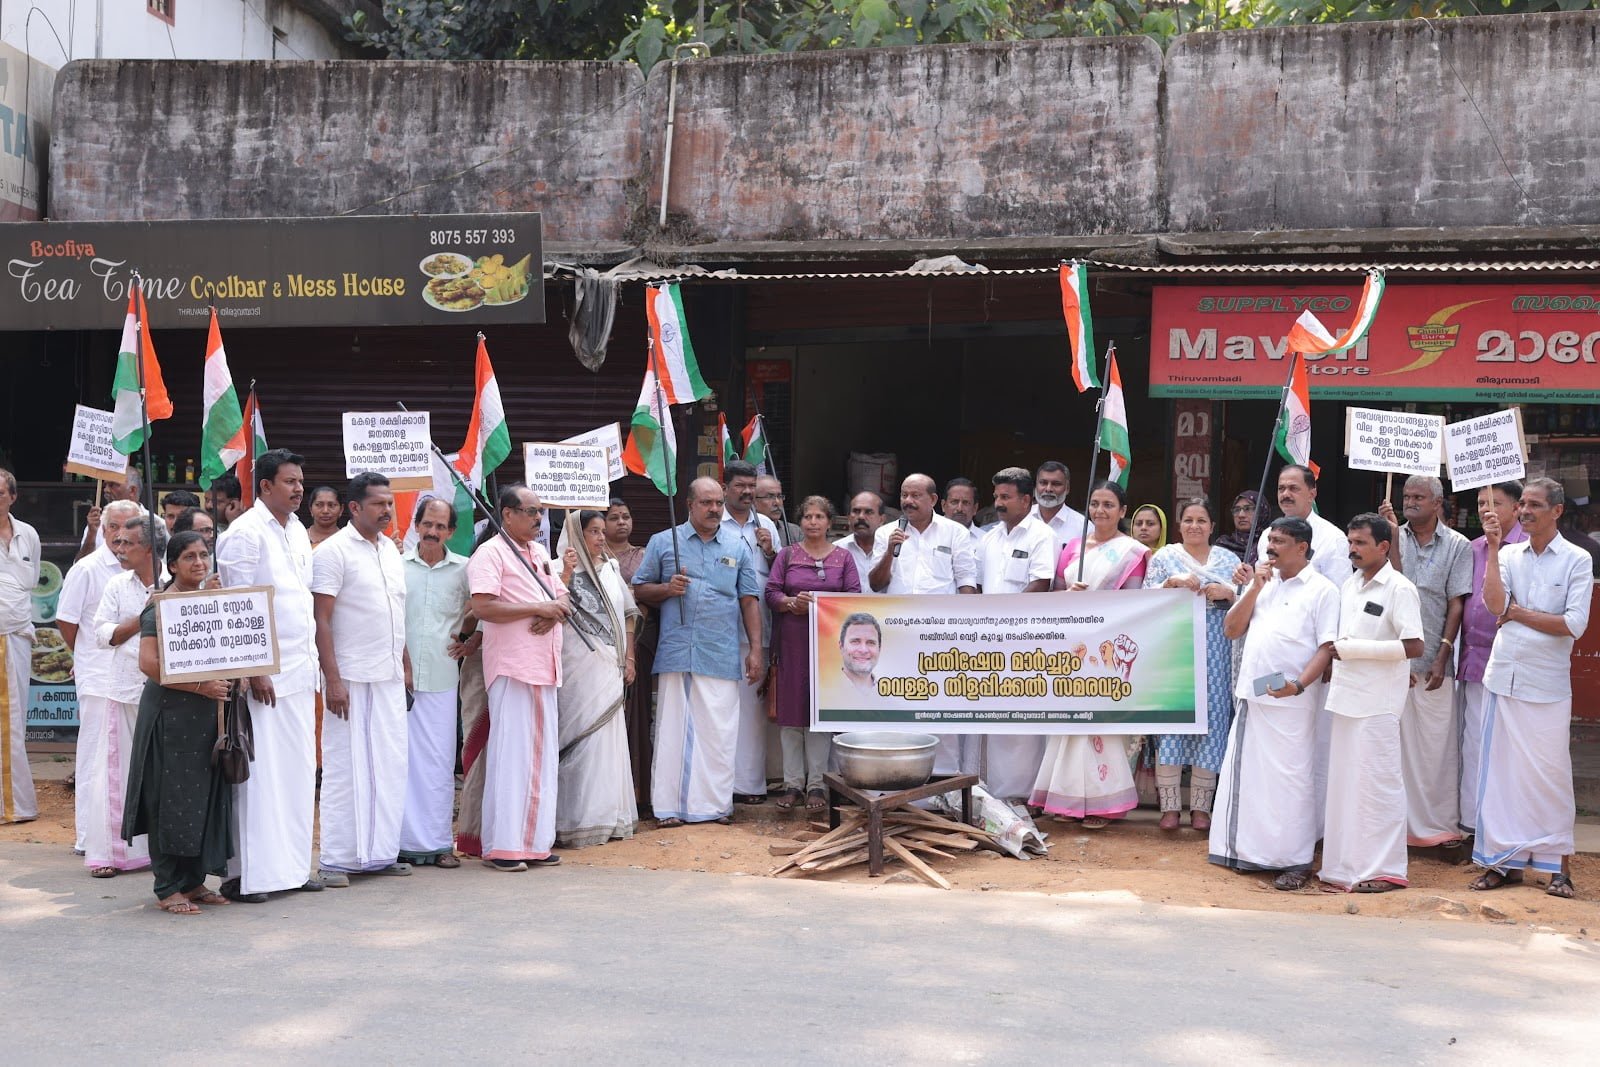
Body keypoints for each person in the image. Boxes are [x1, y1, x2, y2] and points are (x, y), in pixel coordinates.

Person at [1470, 477, 1591, 898]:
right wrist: (1491, 549)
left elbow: (1573, 624)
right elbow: (1494, 605)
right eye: (1522, 503)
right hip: (1504, 677)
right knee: (1501, 777)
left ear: (1557, 511)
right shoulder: (1506, 555)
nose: (1524, 511)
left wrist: (1518, 613)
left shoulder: (1576, 559)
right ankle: (1502, 864)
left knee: (1550, 777)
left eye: (1534, 505)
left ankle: (1559, 869)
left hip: (1547, 684)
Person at [1208, 517, 1339, 890]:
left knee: (1291, 781)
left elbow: (1327, 647)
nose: (1270, 547)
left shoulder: (1323, 590)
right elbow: (1231, 629)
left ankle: (1295, 860)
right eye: (1269, 540)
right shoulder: (1262, 583)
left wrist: (1298, 685)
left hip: (1294, 701)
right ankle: (1249, 853)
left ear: (1302, 547)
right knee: (1251, 779)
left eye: (1279, 541)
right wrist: (1253, 588)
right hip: (1254, 695)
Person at [215, 449, 321, 902]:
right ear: (264, 486)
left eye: (300, 481)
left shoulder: (296, 529)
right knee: (260, 777)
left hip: (301, 669)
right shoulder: (245, 533)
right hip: (265, 675)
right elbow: (238, 607)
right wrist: (254, 669)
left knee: (298, 771)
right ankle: (250, 876)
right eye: (290, 482)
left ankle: (293, 870)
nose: (299, 489)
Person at [632, 477, 764, 828]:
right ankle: (669, 809)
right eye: (707, 503)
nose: (714, 509)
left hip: (720, 651)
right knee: (672, 732)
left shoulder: (737, 546)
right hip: (679, 650)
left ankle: (717, 806)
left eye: (719, 503)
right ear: (690, 504)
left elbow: (749, 600)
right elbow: (639, 589)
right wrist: (666, 589)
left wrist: (755, 650)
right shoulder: (665, 542)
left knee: (720, 732)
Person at [121, 531, 235, 915]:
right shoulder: (160, 607)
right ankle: (167, 885)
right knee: (167, 799)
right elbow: (148, 664)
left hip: (203, 717)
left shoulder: (206, 602)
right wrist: (202, 686)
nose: (199, 563)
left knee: (198, 797)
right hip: (169, 714)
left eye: (203, 555)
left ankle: (193, 881)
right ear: (172, 565)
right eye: (189, 557)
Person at [1232, 464, 1351, 827]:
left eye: (1294, 488)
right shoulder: (1267, 535)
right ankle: (1258, 834)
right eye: (1282, 487)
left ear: (1313, 492)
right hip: (1262, 669)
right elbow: (1254, 603)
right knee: (1257, 759)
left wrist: (1325, 664)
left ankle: (1307, 833)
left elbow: (1338, 600)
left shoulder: (1332, 538)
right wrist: (1248, 582)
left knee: (1303, 757)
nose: (1285, 494)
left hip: (1307, 668)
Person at [310, 473, 412, 886]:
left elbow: (395, 613)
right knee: (344, 767)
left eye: (389, 503)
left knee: (389, 764)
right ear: (354, 508)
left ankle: (380, 854)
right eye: (378, 504)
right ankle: (337, 859)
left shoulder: (390, 550)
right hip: (350, 677)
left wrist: (405, 665)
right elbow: (321, 620)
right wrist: (332, 680)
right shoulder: (332, 552)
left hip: (388, 675)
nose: (387, 510)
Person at [1032, 480, 1149, 826]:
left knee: (1100, 727)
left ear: (1122, 511)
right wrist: (1070, 595)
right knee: (1069, 724)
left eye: (1108, 505)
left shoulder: (1132, 552)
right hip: (1073, 646)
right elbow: (1053, 595)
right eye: (1095, 503)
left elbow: (1134, 604)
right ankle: (1067, 800)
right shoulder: (1073, 547)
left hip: (1108, 650)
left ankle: (1103, 804)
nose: (1100, 511)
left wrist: (1096, 604)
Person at [1318, 513, 1424, 893]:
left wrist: (1355, 650)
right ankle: (1345, 868)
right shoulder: (1349, 585)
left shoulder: (1399, 588)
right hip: (1346, 697)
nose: (1353, 549)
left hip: (1378, 703)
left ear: (1383, 546)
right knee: (1347, 787)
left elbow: (1415, 646)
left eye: (1360, 543)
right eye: (1350, 542)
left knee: (1379, 787)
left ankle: (1385, 871)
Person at [468, 485, 571, 870]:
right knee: (512, 756)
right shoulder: (490, 553)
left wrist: (553, 611)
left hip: (545, 667)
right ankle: (504, 846)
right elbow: (483, 607)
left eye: (540, 512)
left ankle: (536, 844)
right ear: (507, 514)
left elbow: (562, 596)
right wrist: (537, 608)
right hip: (512, 667)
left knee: (541, 759)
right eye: (530, 511)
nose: (537, 519)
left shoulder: (540, 553)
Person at [1380, 475, 1472, 852]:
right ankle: (1395, 829)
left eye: (1419, 496)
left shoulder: (1458, 545)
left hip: (1434, 662)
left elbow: (1456, 603)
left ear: (1438, 503)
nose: (1410, 501)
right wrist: (1388, 536)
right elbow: (1389, 588)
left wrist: (1443, 654)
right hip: (1394, 662)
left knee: (1436, 750)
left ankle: (1438, 830)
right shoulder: (1388, 536)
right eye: (1406, 496)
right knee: (1393, 749)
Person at [1143, 498, 1239, 831]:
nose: (1194, 526)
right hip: (1175, 651)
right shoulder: (1164, 558)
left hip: (1217, 651)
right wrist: (1170, 584)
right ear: (1179, 525)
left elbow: (1246, 598)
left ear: (1212, 526)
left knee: (1212, 723)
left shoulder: (1228, 560)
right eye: (1188, 520)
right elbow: (1144, 600)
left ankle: (1201, 808)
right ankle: (1169, 807)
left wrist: (1227, 592)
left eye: (1201, 520)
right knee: (1173, 723)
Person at [56, 500, 143, 852]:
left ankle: (126, 840)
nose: (121, 535)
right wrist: (85, 655)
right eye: (114, 527)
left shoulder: (141, 568)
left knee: (127, 758)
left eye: (129, 527)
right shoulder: (88, 568)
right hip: (97, 676)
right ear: (103, 529)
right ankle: (87, 839)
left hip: (134, 678)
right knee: (94, 758)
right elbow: (66, 620)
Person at [766, 496, 860, 813]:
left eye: (819, 516)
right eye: (808, 516)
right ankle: (792, 784)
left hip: (828, 644)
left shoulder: (843, 558)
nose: (813, 522)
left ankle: (817, 784)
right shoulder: (787, 555)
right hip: (791, 642)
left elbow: (854, 596)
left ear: (830, 522)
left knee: (820, 713)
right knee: (791, 713)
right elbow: (771, 592)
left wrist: (822, 603)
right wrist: (791, 603)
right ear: (801, 521)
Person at [85, 514, 166, 877]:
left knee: (163, 773)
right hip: (125, 690)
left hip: (170, 691)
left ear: (149, 549)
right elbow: (103, 635)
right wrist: (144, 615)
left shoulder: (175, 581)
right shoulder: (118, 585)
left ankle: (162, 853)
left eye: (127, 543)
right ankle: (110, 853)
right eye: (117, 541)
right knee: (117, 773)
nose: (119, 549)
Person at [554, 509, 641, 848]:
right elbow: (552, 608)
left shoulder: (611, 568)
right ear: (577, 534)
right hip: (576, 666)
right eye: (593, 531)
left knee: (607, 739)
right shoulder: (556, 568)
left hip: (609, 664)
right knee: (579, 737)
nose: (601, 538)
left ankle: (608, 815)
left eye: (602, 531)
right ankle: (575, 819)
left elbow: (628, 614)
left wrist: (629, 657)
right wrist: (565, 573)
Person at [968, 467, 1055, 794]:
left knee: (1022, 721)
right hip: (988, 641)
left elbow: (1041, 583)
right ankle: (990, 792)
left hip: (1026, 641)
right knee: (992, 717)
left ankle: (1023, 793)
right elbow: (977, 585)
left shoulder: (1041, 535)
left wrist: (1005, 620)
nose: (999, 503)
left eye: (1006, 497)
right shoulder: (989, 538)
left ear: (1026, 500)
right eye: (996, 496)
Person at [399, 498, 473, 868]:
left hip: (443, 679)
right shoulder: (396, 566)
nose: (432, 531)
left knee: (439, 763)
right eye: (427, 524)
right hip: (399, 681)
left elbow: (481, 609)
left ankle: (439, 844)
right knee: (400, 762)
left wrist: (473, 641)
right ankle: (397, 843)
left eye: (440, 526)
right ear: (416, 525)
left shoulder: (464, 569)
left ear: (451, 532)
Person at [1458, 481, 1526, 838]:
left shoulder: (1528, 549)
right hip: (1474, 661)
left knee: (1508, 748)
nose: (1487, 510)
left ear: (1517, 508)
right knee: (1474, 745)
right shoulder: (1471, 549)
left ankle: (1506, 828)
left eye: (1495, 503)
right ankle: (1473, 826)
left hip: (1515, 665)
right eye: (1481, 502)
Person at [721, 460, 779, 805]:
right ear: (725, 488)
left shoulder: (766, 524)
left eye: (751, 487)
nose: (746, 492)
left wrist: (771, 551)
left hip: (760, 631)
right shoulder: (715, 522)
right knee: (721, 709)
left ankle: (749, 785)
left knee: (754, 714)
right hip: (722, 628)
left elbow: (780, 576)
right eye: (740, 486)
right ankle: (720, 786)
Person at [606, 497, 655, 803]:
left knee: (637, 714)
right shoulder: (592, 557)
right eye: (614, 517)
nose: (622, 522)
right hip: (601, 644)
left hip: (638, 641)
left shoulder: (644, 555)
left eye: (625, 516)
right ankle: (608, 790)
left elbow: (650, 593)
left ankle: (637, 793)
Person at [0, 468, 40, 823]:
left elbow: (30, 581)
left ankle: (15, 805)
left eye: (0, 493)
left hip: (16, 636)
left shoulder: (28, 534)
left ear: (12, 497)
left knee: (15, 720)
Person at [870, 473, 977, 595]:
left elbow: (966, 579)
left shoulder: (956, 532)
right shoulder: (885, 532)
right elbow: (875, 585)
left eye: (915, 495)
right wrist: (889, 553)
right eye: (904, 495)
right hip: (898, 607)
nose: (908, 501)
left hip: (940, 607)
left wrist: (966, 607)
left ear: (933, 500)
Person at [75, 467, 141, 562]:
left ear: (132, 490)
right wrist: (91, 534)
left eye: (112, 485)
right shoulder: (98, 522)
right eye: (113, 526)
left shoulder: (154, 523)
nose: (106, 490)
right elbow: (80, 564)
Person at [1030, 460, 1087, 559]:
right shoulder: (1020, 519)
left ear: (1067, 488)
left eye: (1056, 484)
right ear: (1035, 486)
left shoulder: (1083, 527)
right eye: (1043, 483)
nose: (1048, 489)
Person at [835, 491, 886, 593]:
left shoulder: (892, 549)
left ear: (882, 519)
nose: (861, 517)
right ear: (848, 517)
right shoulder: (836, 550)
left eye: (869, 512)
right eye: (856, 511)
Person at [1215, 490, 1273, 565]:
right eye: (1237, 510)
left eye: (1248, 509)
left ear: (1262, 512)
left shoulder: (1270, 543)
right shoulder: (1223, 545)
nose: (1241, 515)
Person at [837, 613, 882, 698]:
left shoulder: (890, 695)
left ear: (879, 648)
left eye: (870, 642)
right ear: (841, 646)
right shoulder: (823, 690)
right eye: (855, 641)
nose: (863, 650)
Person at [755, 476, 803, 546]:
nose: (777, 502)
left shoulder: (794, 532)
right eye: (770, 497)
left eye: (780, 496)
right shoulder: (745, 531)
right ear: (753, 501)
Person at [942, 477, 983, 547]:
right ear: (943, 505)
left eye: (966, 503)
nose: (959, 509)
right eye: (954, 502)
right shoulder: (927, 535)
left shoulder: (986, 541)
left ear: (975, 508)